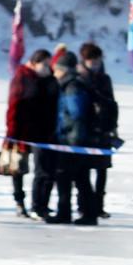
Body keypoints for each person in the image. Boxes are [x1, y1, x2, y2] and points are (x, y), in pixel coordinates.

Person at [9, 47, 58, 220]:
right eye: (44, 64)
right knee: (19, 168)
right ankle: (20, 203)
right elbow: (14, 105)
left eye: (48, 64)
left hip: (43, 132)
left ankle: (41, 205)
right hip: (23, 131)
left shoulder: (48, 79)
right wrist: (11, 133)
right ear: (34, 63)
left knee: (44, 170)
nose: (47, 67)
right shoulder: (22, 77)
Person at [74, 41, 119, 223]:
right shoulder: (79, 78)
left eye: (97, 60)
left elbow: (112, 103)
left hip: (103, 130)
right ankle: (84, 205)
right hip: (85, 131)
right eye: (92, 61)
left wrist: (113, 127)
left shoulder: (104, 79)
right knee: (83, 171)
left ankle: (99, 205)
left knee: (102, 170)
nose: (95, 64)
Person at [44, 48, 86, 225]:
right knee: (79, 177)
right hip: (71, 139)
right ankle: (82, 211)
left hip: (71, 140)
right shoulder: (71, 84)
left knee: (66, 177)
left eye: (58, 69)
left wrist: (64, 127)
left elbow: (76, 112)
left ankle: (65, 212)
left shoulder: (71, 86)